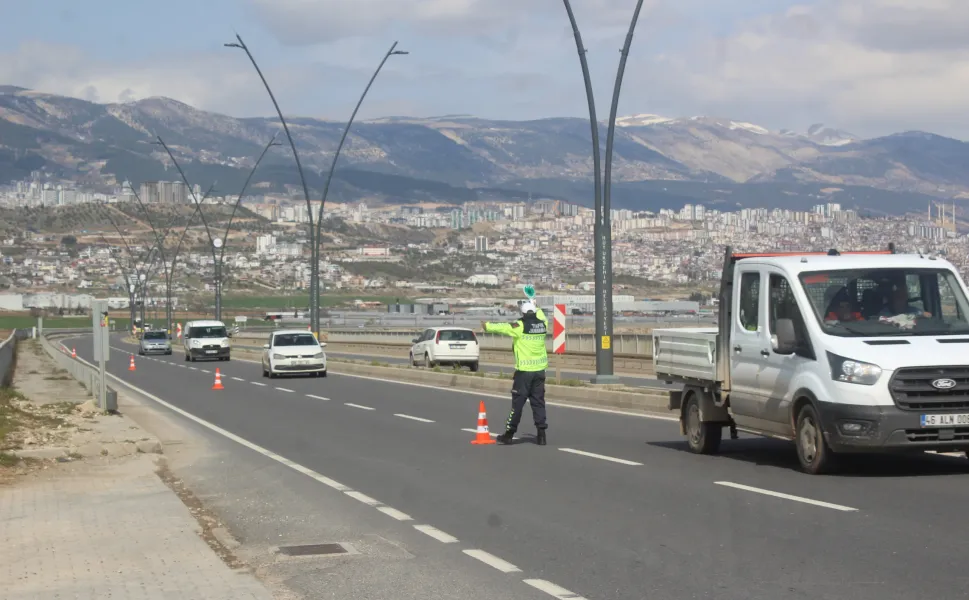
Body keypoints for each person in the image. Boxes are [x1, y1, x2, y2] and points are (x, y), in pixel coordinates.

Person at [483, 301, 549, 445]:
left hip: (524, 372)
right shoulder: (543, 324)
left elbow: (504, 328)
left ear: (523, 314)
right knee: (538, 403)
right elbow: (542, 315)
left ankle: (509, 434)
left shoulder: (520, 326)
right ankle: (542, 434)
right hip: (540, 371)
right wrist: (534, 303)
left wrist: (487, 326)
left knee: (517, 404)